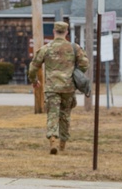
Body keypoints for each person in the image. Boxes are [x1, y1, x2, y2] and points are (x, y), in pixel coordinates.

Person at [27, 21, 89, 154]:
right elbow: (84, 64)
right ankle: (63, 144)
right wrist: (75, 74)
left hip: (52, 88)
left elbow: (33, 67)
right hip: (68, 87)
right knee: (65, 115)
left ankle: (53, 140)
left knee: (53, 114)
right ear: (66, 32)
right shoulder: (74, 48)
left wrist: (34, 80)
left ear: (54, 32)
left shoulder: (46, 48)